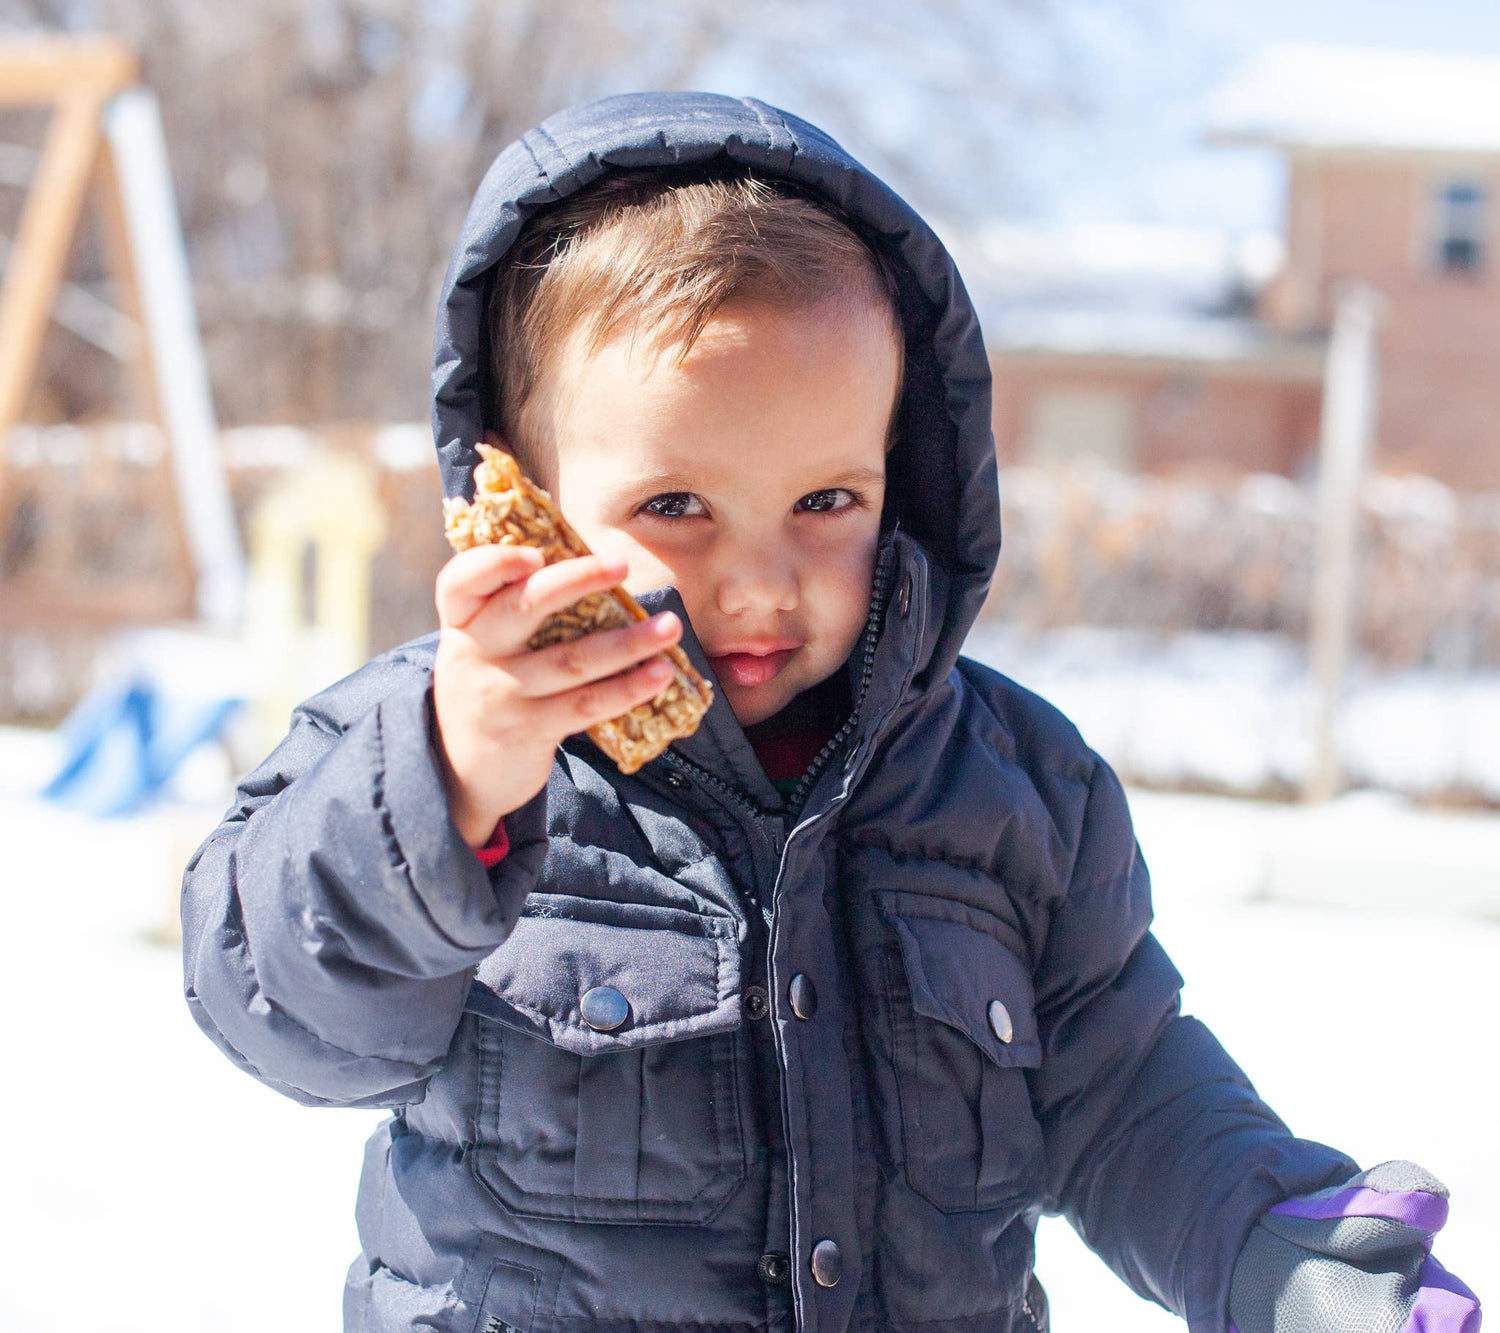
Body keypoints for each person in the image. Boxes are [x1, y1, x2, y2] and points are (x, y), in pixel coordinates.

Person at [179, 93, 1480, 1333]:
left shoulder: (1014, 788)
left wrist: (1273, 1246)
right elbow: (277, 1007)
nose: (760, 580)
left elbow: (1126, 1093)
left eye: (826, 502)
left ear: (901, 479)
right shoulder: (440, 746)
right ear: (524, 496)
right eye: (676, 506)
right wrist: (446, 783)